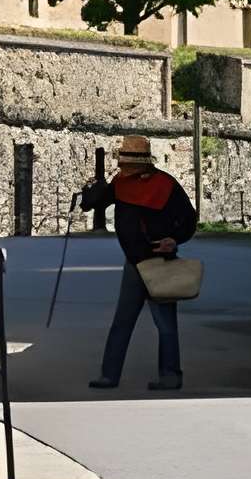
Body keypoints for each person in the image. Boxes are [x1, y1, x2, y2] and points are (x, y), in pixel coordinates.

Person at [78, 134, 197, 391]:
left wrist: (174, 240)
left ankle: (170, 376)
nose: (126, 170)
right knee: (123, 321)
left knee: (165, 325)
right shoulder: (120, 184)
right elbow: (92, 203)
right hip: (134, 263)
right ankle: (109, 375)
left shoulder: (166, 185)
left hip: (160, 262)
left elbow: (188, 219)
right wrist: (92, 189)